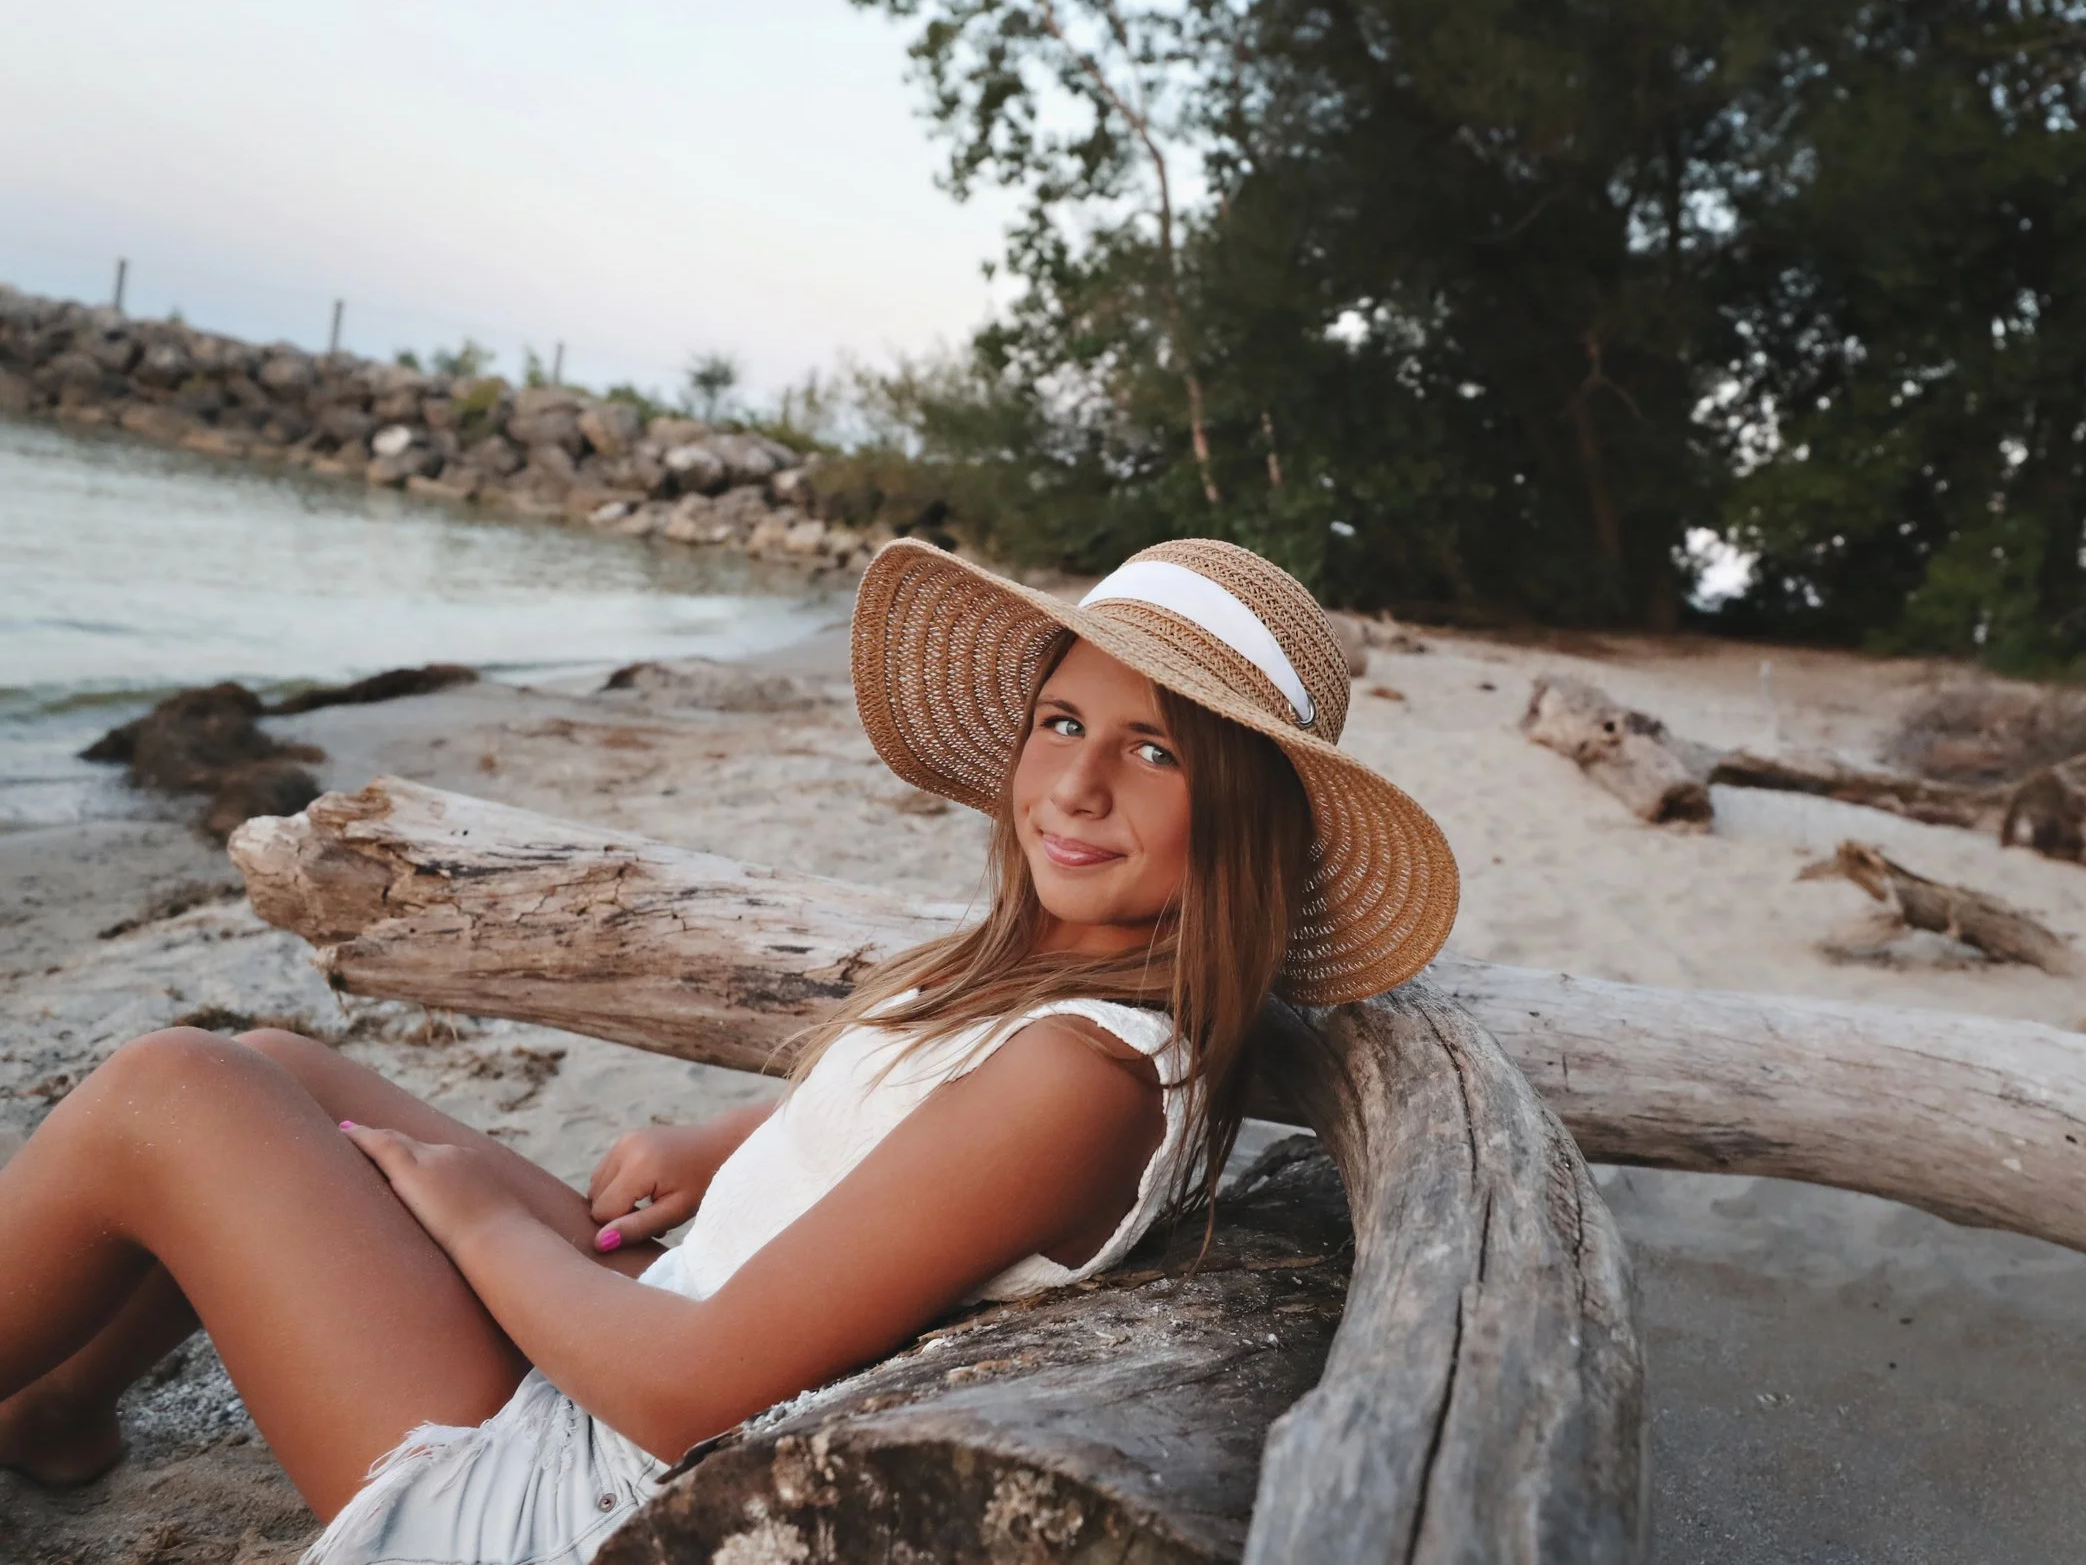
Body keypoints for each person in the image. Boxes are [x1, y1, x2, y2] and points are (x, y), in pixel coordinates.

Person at [0, 537, 1458, 1565]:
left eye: (1157, 748)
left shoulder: (1083, 1075)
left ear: (1250, 811)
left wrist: (483, 1220)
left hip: (593, 1480)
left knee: (167, 1092)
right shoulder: (1054, 989)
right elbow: (903, 1150)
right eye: (1063, 718)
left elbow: (689, 1390)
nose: (1073, 781)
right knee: (274, 1058)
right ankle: (59, 1402)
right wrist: (724, 1148)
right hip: (656, 1317)